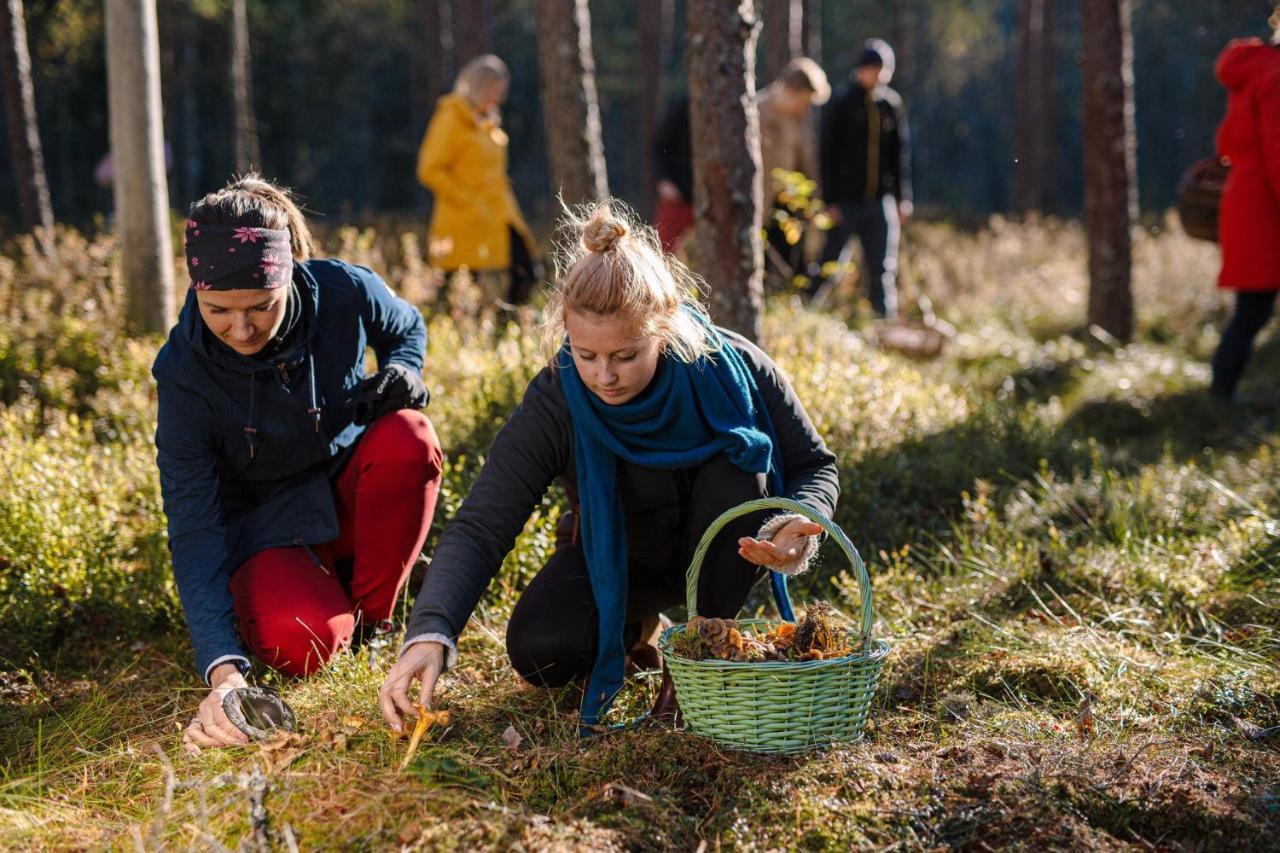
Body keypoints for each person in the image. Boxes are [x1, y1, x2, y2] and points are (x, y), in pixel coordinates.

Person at [379, 202, 839, 733]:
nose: (604, 376)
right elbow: (485, 522)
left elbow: (814, 463)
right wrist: (430, 632)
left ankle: (701, 654)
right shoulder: (557, 396)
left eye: (625, 356)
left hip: (723, 556)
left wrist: (795, 525)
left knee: (740, 461)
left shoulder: (733, 369)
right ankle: (641, 627)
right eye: (585, 353)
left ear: (663, 330)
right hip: (617, 556)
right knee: (542, 646)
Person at [154, 175, 444, 752]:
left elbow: (406, 328)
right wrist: (223, 670)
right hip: (264, 529)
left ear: (288, 275)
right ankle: (322, 605)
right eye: (218, 310)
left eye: (262, 306)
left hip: (343, 489)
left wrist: (405, 373)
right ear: (196, 290)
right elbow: (194, 525)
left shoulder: (342, 290)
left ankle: (374, 620)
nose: (242, 329)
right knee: (305, 642)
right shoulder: (184, 374)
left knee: (409, 436)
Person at [417, 55, 538, 304]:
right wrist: (466, 199)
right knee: (453, 283)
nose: (501, 98)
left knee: (526, 270)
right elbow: (429, 169)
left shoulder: (488, 121)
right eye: (497, 91)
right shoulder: (451, 118)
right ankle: (449, 332)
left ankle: (507, 324)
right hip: (461, 218)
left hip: (499, 213)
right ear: (481, 87)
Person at [812, 39, 913, 318]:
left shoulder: (889, 105)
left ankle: (884, 323)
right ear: (861, 69)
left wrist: (903, 198)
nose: (879, 75)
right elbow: (826, 155)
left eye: (884, 70)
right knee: (829, 262)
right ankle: (806, 311)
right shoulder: (842, 104)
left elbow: (899, 155)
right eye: (874, 68)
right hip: (846, 203)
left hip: (881, 202)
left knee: (882, 268)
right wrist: (830, 200)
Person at [1209, 17, 1280, 401]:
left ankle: (1221, 397)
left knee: (1251, 312)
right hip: (1267, 214)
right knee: (1252, 313)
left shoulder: (1256, 70)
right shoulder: (1276, 77)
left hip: (1246, 205)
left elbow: (1226, 140)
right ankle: (1220, 399)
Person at [757, 57, 831, 283]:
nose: (805, 107)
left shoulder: (800, 120)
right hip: (759, 204)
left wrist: (813, 201)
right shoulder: (756, 110)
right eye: (803, 100)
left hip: (789, 204)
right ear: (789, 88)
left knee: (791, 264)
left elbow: (807, 163)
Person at [652, 96, 695, 253]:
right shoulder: (683, 108)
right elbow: (659, 147)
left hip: (712, 200)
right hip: (678, 196)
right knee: (664, 250)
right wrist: (664, 181)